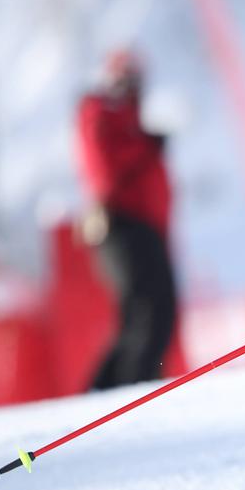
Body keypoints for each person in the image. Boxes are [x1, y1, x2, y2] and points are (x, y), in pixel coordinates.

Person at [74, 48, 178, 390]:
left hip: (146, 229)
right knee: (148, 312)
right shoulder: (100, 112)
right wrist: (145, 147)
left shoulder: (128, 120)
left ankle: (119, 391)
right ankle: (127, 391)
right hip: (123, 226)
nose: (134, 88)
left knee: (151, 313)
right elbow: (105, 172)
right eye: (126, 78)